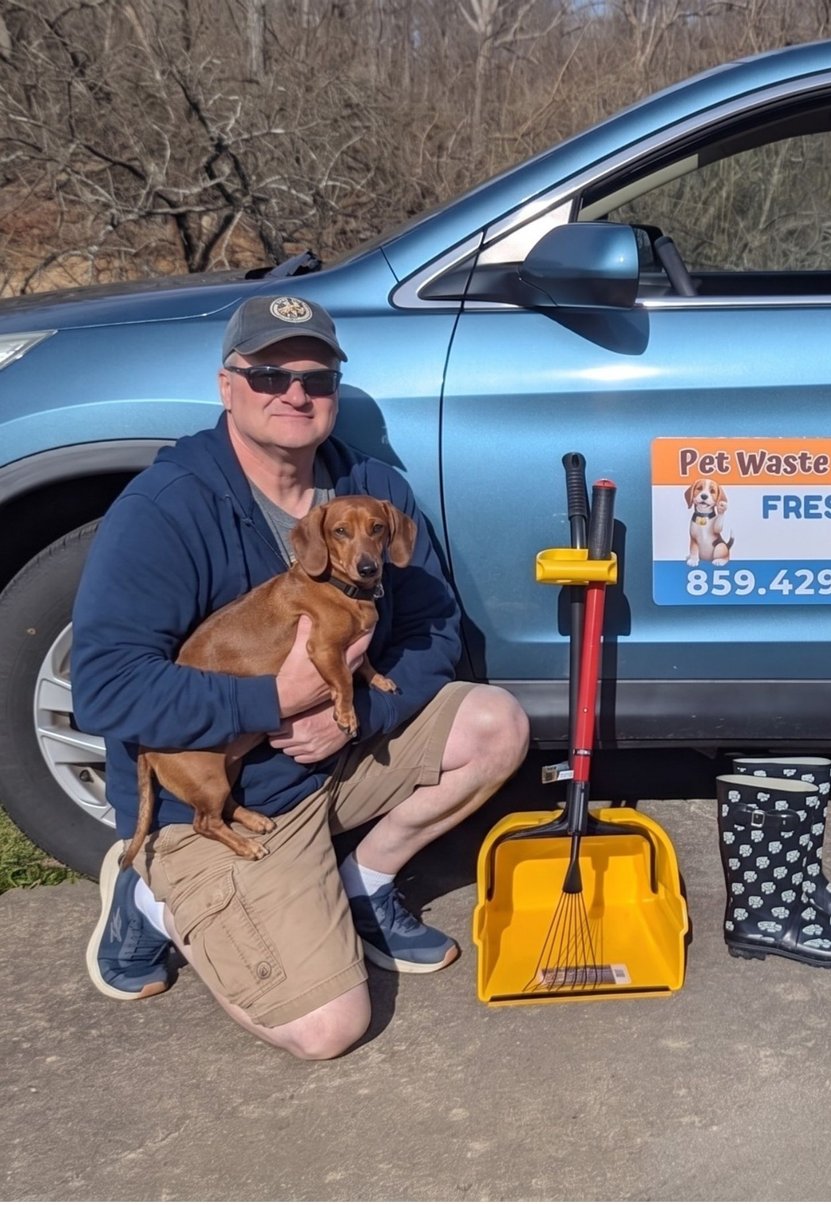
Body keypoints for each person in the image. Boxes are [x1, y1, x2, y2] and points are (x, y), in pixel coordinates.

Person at [75, 294, 529, 1059]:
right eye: (268, 373)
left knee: (497, 723)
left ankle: (364, 884)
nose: (295, 392)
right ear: (228, 385)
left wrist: (359, 718)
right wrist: (276, 700)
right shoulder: (168, 507)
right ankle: (149, 894)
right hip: (227, 790)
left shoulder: (370, 488)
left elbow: (435, 629)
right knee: (329, 1029)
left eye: (317, 377)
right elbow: (107, 689)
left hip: (339, 754)